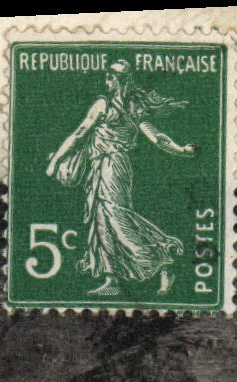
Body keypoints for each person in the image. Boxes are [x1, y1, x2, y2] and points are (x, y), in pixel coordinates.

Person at [45, 59, 198, 296]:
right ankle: (112, 279)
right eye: (107, 76)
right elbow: (81, 134)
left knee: (117, 218)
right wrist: (180, 150)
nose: (107, 80)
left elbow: (154, 136)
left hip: (114, 166)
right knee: (101, 222)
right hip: (99, 167)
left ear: (120, 81)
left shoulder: (116, 106)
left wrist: (180, 150)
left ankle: (162, 263)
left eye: (111, 77)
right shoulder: (114, 105)